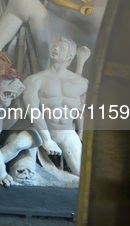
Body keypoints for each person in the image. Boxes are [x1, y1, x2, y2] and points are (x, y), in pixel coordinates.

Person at [22, 37, 89, 175]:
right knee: (17, 148)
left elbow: (80, 109)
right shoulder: (35, 80)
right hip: (41, 131)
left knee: (82, 174)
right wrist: (46, 139)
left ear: (70, 56)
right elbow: (33, 110)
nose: (56, 49)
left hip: (67, 133)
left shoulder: (81, 83)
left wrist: (81, 132)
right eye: (55, 46)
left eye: (61, 48)